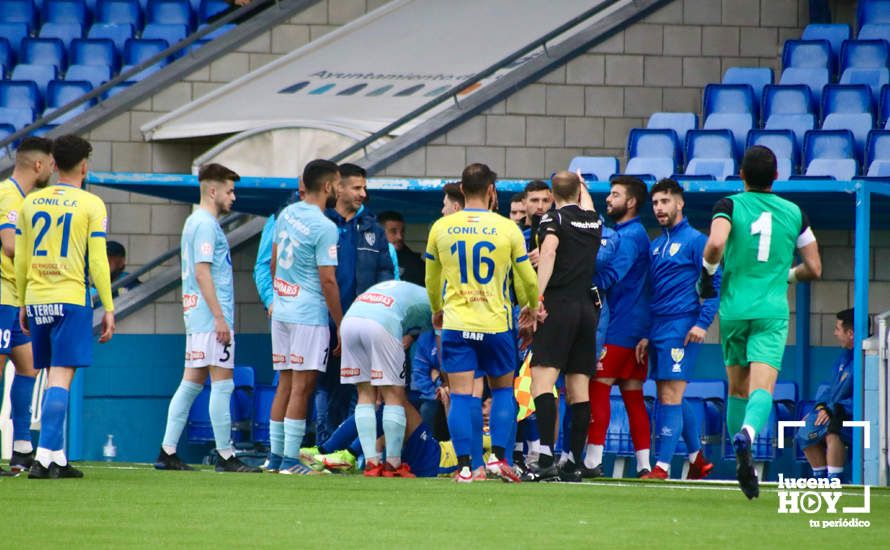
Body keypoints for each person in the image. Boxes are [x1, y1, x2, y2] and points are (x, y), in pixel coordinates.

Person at [699, 145, 822, 499]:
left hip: (734, 311)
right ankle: (749, 435)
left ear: (741, 175)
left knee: (737, 388)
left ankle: (744, 462)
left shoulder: (729, 205)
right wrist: (788, 276)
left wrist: (708, 274)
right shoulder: (795, 212)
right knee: (762, 388)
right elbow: (815, 268)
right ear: (776, 177)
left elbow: (715, 245)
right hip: (771, 312)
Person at [424, 162, 539, 483]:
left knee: (462, 395)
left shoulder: (441, 228)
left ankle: (466, 467)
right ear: (492, 191)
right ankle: (499, 460)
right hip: (497, 324)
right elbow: (527, 279)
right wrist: (530, 307)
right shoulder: (508, 229)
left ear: (461, 190)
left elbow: (431, 280)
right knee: (503, 390)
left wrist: (437, 309)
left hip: (457, 324)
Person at [14, 135, 115, 479]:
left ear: (54, 165)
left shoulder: (30, 203)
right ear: (84, 166)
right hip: (71, 298)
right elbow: (99, 261)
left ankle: (56, 456)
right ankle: (43, 459)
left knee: (50, 375)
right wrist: (110, 307)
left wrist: (24, 301)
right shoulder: (92, 204)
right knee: (61, 377)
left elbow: (22, 259)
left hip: (38, 297)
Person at [155, 163, 260, 473]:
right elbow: (202, 272)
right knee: (222, 384)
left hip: (197, 315)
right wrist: (220, 318)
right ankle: (226, 455)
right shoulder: (204, 224)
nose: (233, 197)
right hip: (210, 317)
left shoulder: (196, 222)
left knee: (192, 382)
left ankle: (167, 450)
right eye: (229, 191)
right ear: (212, 191)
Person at [635, 179, 719, 480]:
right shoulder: (656, 246)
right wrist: (646, 332)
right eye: (655, 203)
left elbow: (713, 283)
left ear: (679, 203)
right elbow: (650, 294)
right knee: (667, 395)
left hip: (682, 325)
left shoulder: (697, 241)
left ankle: (662, 467)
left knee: (670, 395)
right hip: (657, 327)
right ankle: (696, 459)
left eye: (665, 202)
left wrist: (702, 322)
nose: (659, 208)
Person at [523, 171, 602, 482]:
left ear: (553, 197)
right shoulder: (593, 220)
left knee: (541, 383)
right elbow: (590, 206)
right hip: (587, 310)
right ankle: (572, 462)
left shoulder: (551, 219)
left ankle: (544, 457)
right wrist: (582, 184)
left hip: (559, 306)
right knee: (578, 389)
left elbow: (550, 251)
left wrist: (536, 298)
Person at [266, 159, 342, 475]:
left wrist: (281, 296)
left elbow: (272, 262)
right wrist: (340, 322)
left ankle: (274, 457)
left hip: (281, 310)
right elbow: (327, 280)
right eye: (337, 183)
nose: (338, 189)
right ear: (326, 187)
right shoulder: (325, 226)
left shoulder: (286, 214)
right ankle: (290, 461)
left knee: (284, 383)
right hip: (308, 314)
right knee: (302, 386)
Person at [318, 163, 395, 444]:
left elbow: (386, 274)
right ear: (338, 188)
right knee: (324, 388)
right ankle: (324, 446)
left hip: (364, 324)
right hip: (325, 323)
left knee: (361, 389)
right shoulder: (322, 224)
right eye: (357, 187)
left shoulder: (372, 229)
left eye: (365, 187)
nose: (363, 193)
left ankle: (352, 449)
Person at [588, 175, 653, 477]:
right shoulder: (634, 233)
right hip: (635, 327)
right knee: (632, 395)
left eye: (615, 195)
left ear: (631, 202)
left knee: (598, 390)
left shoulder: (629, 236)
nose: (608, 200)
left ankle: (592, 461)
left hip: (618, 326)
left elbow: (613, 274)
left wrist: (578, 281)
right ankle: (644, 465)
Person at [338, 280, 431, 477]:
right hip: (381, 322)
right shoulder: (439, 302)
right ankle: (393, 465)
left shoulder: (404, 288)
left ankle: (371, 463)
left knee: (364, 393)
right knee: (394, 394)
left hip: (351, 321)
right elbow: (443, 343)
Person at [0, 137, 53, 476]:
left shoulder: (21, 197)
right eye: (50, 164)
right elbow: (8, 244)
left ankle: (21, 448)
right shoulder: (9, 195)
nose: (52, 169)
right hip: (2, 294)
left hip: (16, 297)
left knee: (29, 366)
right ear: (38, 165)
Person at [309, 400, 460, 478]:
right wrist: (448, 404)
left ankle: (341, 453)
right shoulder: (474, 435)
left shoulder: (483, 440)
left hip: (435, 461)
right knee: (393, 409)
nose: (483, 412)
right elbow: (459, 439)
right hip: (434, 451)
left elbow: (470, 449)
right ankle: (346, 455)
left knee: (398, 405)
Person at [796, 309, 858, 480]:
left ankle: (833, 480)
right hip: (836, 411)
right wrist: (821, 407)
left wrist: (834, 409)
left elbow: (863, 399)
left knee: (832, 429)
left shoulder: (865, 359)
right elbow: (832, 390)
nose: (835, 333)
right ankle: (820, 478)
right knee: (806, 427)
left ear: (850, 333)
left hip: (854, 416)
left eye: (838, 329)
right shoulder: (844, 358)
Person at [378, 211, 425, 286]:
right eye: (393, 231)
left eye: (402, 231)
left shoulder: (416, 264)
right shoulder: (366, 258)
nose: (400, 237)